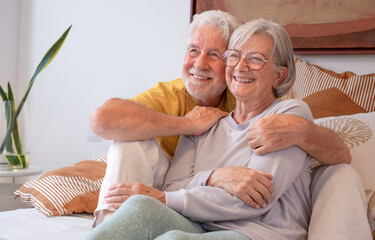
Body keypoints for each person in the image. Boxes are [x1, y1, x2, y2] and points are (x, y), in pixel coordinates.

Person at [91, 10, 371, 239]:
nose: (241, 67)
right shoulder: (204, 120)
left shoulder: (287, 116)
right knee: (140, 206)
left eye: (256, 59)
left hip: (258, 233)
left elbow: (253, 200)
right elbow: (175, 184)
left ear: (278, 75)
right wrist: (214, 177)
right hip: (200, 226)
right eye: (235, 55)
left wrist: (165, 199)